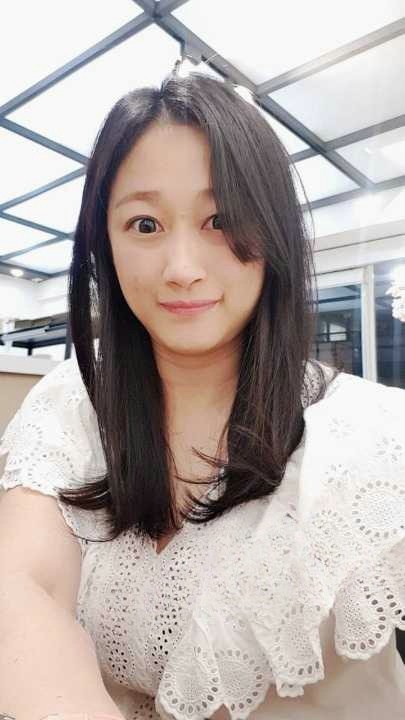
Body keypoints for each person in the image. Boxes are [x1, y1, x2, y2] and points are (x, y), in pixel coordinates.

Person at [0, 71, 404, 720]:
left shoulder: (373, 436)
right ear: (104, 244)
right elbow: (21, 583)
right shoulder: (74, 401)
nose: (182, 268)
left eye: (220, 219)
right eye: (144, 224)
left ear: (272, 231)